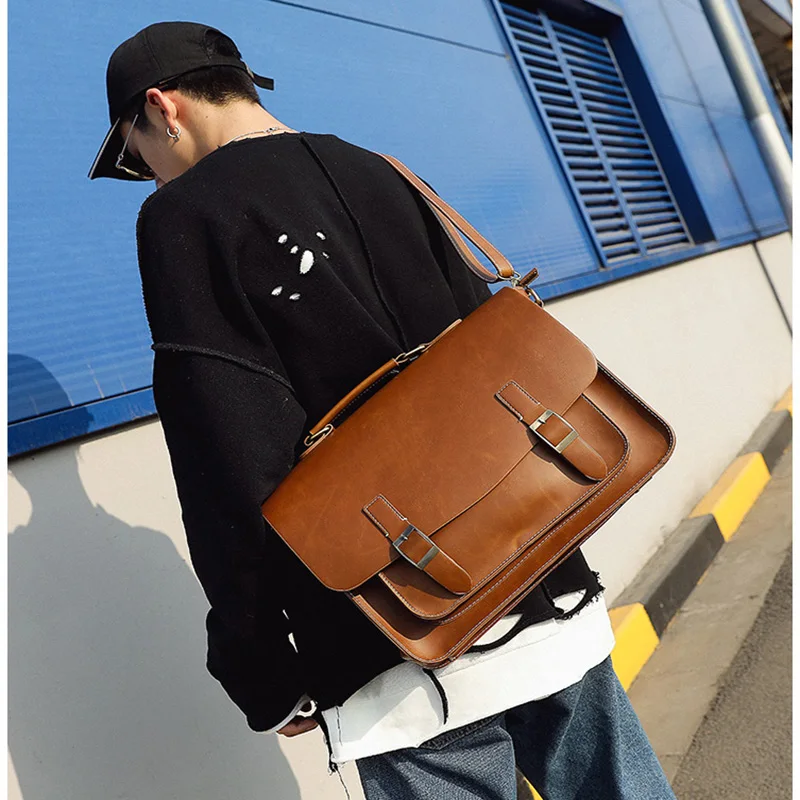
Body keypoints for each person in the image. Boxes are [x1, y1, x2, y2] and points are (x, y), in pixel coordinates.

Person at [88, 21, 677, 800]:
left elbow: (224, 455)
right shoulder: (378, 168)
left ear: (163, 108)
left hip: (394, 637)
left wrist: (259, 666)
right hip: (538, 586)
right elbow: (489, 351)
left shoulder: (186, 218)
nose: (151, 180)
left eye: (137, 157)